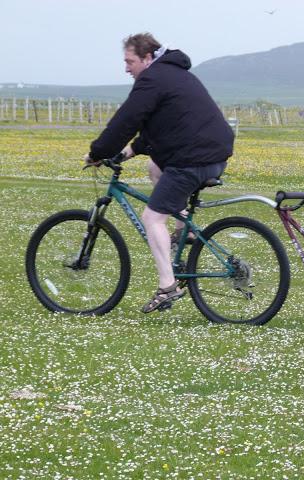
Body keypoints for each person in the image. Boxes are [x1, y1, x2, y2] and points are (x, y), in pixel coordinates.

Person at [85, 33, 234, 313]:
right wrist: (127, 152)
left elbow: (126, 120)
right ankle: (183, 231)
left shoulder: (152, 80)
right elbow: (166, 124)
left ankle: (167, 286)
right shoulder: (172, 74)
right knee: (155, 167)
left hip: (192, 160)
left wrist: (98, 153)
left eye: (130, 61)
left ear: (147, 58)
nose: (126, 68)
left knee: (152, 218)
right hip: (213, 155)